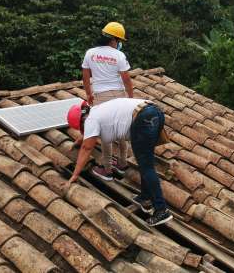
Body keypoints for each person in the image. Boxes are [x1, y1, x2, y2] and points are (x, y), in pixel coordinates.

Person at [66, 98, 173, 227]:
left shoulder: (90, 120)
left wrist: (75, 175)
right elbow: (87, 136)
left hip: (143, 118)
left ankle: (161, 210)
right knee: (144, 160)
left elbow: (86, 148)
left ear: (82, 121)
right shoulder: (95, 112)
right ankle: (145, 196)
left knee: (146, 165)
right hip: (153, 111)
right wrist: (78, 141)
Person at [82, 21, 134, 181]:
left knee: (106, 133)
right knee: (121, 129)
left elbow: (86, 76)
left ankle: (107, 169)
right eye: (119, 41)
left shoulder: (90, 53)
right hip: (118, 95)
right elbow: (126, 80)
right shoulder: (119, 55)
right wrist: (130, 99)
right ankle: (123, 164)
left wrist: (89, 94)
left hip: (101, 96)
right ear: (113, 39)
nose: (119, 44)